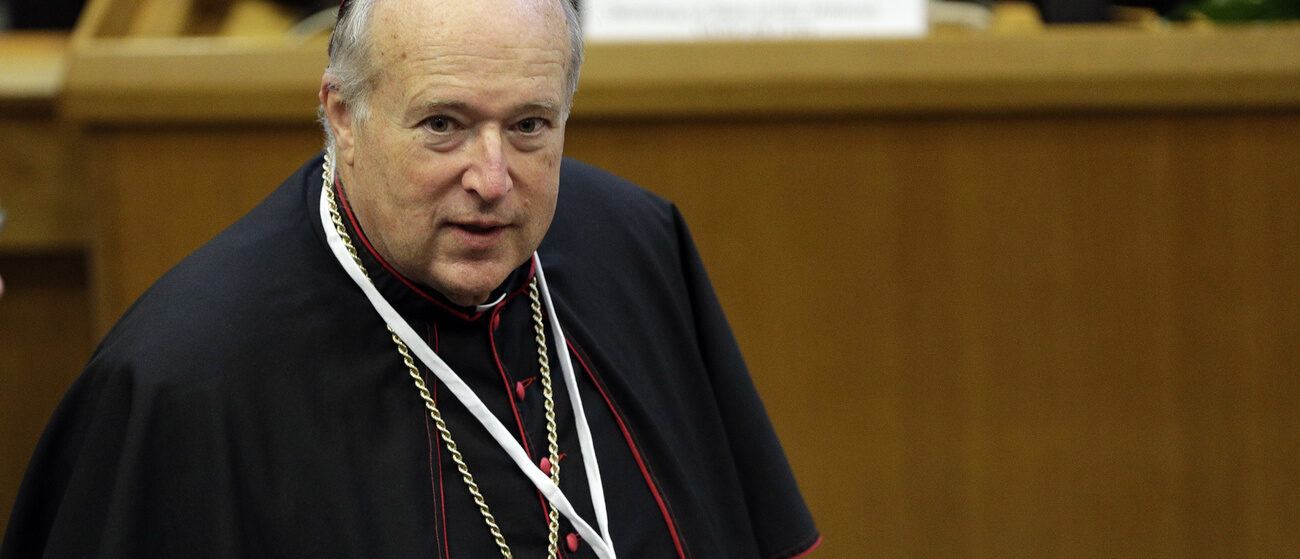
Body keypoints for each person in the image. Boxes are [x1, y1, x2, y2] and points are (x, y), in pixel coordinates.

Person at [1, 0, 820, 557]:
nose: (493, 178)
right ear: (342, 116)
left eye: (530, 126)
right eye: (444, 125)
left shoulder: (635, 244)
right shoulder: (184, 381)